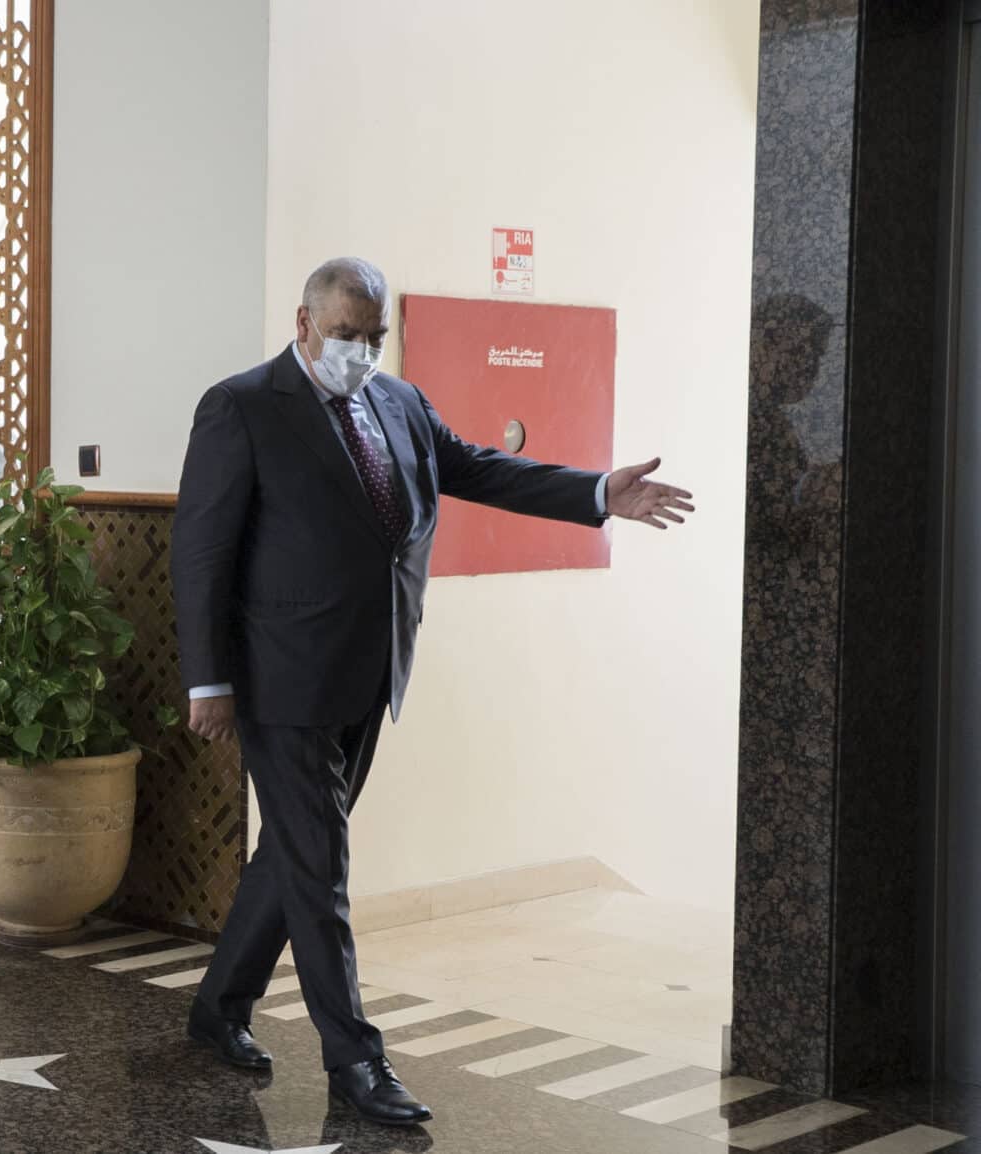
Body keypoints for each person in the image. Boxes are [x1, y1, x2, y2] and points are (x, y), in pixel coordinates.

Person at [171, 257, 695, 1126]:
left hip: (370, 669)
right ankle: (354, 1063)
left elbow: (481, 468)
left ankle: (217, 1007)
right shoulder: (242, 407)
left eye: (375, 337)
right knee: (322, 867)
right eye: (347, 335)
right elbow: (202, 551)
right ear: (303, 324)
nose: (363, 353)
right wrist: (208, 677)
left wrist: (599, 493)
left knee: (293, 856)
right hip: (280, 678)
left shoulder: (399, 402)